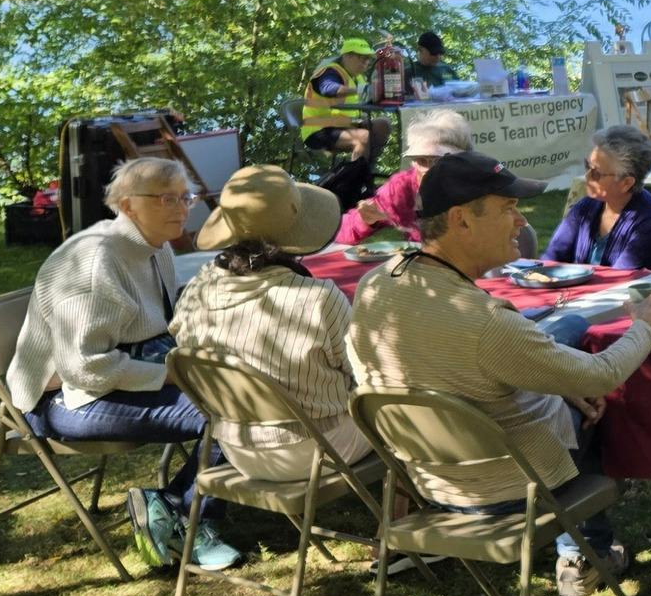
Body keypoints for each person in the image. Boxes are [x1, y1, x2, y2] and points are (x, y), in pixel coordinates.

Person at [347, 150, 651, 596]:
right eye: (508, 209)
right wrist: (645, 326)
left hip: (429, 479)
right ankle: (587, 555)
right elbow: (601, 374)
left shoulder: (376, 284)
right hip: (505, 490)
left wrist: (561, 386)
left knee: (571, 389)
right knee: (598, 405)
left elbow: (463, 371)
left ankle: (582, 550)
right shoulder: (485, 322)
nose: (522, 222)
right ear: (462, 220)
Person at [4, 157, 237, 571]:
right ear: (128, 206)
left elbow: (157, 326)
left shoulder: (155, 245)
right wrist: (171, 373)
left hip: (117, 374)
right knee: (225, 411)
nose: (182, 208)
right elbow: (83, 368)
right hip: (65, 399)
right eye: (167, 199)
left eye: (186, 197)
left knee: (246, 388)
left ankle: (168, 505)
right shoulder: (97, 263)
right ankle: (184, 517)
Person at [170, 165, 372, 482]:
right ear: (295, 230)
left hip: (237, 449)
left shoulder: (195, 292)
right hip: (323, 448)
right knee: (390, 398)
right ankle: (422, 504)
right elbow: (363, 373)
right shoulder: (317, 298)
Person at [544, 126, 651, 273]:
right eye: (587, 166)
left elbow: (618, 281)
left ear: (626, 183)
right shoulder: (585, 208)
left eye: (596, 173)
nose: (587, 176)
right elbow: (551, 260)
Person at [336, 108, 471, 246]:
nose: (429, 169)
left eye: (439, 160)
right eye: (421, 160)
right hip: (425, 264)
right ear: (413, 161)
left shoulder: (479, 184)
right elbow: (341, 230)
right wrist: (365, 219)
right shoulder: (403, 187)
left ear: (462, 159)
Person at [301, 37, 392, 203]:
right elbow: (329, 89)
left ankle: (365, 175)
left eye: (367, 59)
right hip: (317, 130)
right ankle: (350, 193)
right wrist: (362, 90)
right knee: (362, 137)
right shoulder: (329, 71)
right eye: (361, 58)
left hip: (342, 126)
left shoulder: (359, 78)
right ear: (347, 56)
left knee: (382, 125)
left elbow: (364, 99)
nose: (366, 63)